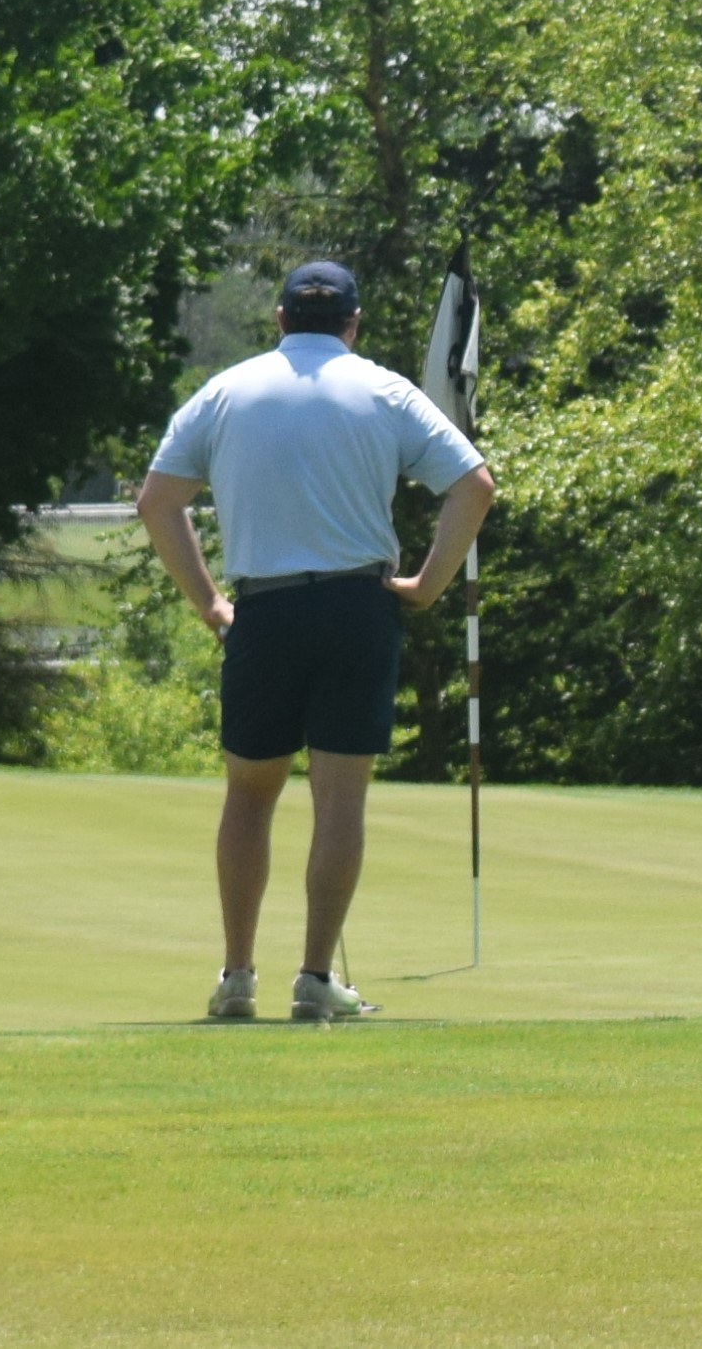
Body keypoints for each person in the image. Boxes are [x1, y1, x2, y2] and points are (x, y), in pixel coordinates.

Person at [137, 260, 495, 1022]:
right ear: (352, 323)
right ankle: (313, 978)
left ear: (278, 318)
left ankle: (237, 976)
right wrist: (428, 586)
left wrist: (208, 603)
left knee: (249, 792)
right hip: (356, 607)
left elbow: (158, 500)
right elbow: (474, 484)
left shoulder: (227, 390)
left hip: (261, 613)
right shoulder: (383, 388)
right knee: (338, 797)